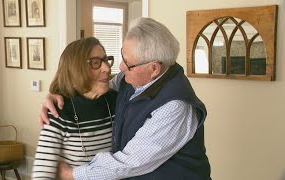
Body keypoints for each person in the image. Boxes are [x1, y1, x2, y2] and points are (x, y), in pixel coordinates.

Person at [41, 17, 211, 180]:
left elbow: (130, 162)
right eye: (121, 56)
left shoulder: (176, 107)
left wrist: (71, 174)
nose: (120, 67)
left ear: (154, 69)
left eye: (127, 63)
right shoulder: (129, 79)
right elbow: (93, 86)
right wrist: (57, 93)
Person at [32, 37, 117, 179]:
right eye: (96, 63)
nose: (107, 68)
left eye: (106, 60)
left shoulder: (118, 101)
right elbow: (41, 175)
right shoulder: (58, 112)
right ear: (76, 69)